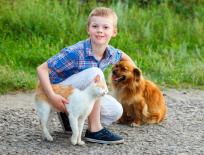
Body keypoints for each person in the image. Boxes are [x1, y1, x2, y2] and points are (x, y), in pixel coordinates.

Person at [37, 7, 135, 144]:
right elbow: (41, 69)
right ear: (88, 29)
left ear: (114, 32)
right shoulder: (75, 52)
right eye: (95, 26)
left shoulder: (111, 53)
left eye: (106, 27)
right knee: (96, 73)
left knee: (116, 110)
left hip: (77, 95)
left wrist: (136, 73)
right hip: (59, 89)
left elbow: (125, 57)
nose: (100, 30)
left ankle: (69, 115)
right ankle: (94, 130)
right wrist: (52, 97)